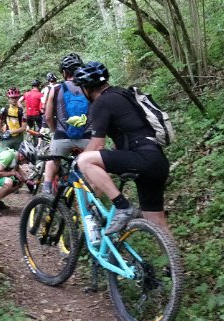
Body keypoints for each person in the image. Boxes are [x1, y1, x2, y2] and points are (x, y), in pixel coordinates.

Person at [73, 61, 171, 234]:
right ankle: (173, 259)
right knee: (157, 223)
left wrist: (78, 161)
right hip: (157, 161)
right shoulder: (124, 94)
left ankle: (123, 206)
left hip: (140, 158)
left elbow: (97, 144)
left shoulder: (101, 102)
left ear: (86, 88)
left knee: (85, 160)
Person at [42, 54, 91, 194]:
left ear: (64, 72)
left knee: (54, 159)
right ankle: (90, 203)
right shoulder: (88, 87)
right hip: (86, 138)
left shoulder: (56, 89)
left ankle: (46, 189)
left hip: (62, 136)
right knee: (90, 168)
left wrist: (54, 132)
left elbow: (48, 117)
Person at [0, 141, 37, 217]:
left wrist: (27, 181)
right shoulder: (7, 156)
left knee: (19, 182)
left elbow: (18, 170)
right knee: (8, 182)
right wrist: (12, 173)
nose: (26, 163)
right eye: (27, 161)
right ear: (22, 156)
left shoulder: (15, 157)